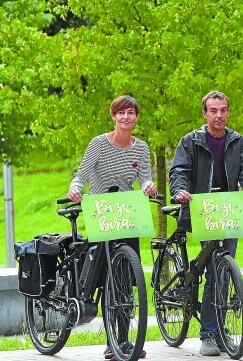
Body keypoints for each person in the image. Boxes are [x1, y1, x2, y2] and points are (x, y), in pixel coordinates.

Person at [169, 90, 243, 356]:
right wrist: (180, 190)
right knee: (211, 271)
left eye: (223, 110)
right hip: (201, 210)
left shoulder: (237, 140)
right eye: (213, 111)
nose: (219, 115)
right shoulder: (190, 141)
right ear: (205, 113)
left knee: (222, 270)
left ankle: (218, 329)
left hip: (230, 210)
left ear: (228, 112)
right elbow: (179, 171)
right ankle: (209, 333)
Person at [67, 94, 155, 360]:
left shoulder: (141, 147)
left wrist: (150, 186)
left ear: (137, 117)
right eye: (121, 113)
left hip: (129, 211)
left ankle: (125, 342)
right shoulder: (98, 144)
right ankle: (111, 342)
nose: (126, 117)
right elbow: (81, 175)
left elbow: (146, 177)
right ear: (113, 116)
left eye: (131, 113)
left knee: (126, 281)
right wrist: (75, 188)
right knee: (107, 279)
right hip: (102, 211)